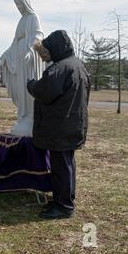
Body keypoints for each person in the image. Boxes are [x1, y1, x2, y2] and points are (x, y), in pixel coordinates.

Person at [27, 30, 91, 219]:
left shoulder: (61, 68)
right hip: (73, 124)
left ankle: (63, 207)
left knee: (61, 168)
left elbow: (44, 91)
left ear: (56, 47)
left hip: (60, 127)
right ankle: (65, 200)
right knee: (67, 164)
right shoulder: (78, 65)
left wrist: (31, 84)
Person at [0, 0, 45, 137]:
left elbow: (38, 36)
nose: (18, 7)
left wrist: (31, 51)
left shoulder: (33, 17)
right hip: (20, 60)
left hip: (29, 61)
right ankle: (23, 116)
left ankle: (31, 117)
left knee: (29, 87)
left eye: (20, 4)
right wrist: (5, 55)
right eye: (16, 5)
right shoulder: (21, 20)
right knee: (21, 88)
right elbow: (14, 42)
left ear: (26, 3)